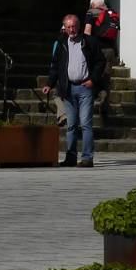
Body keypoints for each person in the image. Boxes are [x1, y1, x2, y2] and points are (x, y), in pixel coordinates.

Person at [42, 12, 106, 167]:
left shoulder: (90, 42)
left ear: (80, 26)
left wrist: (93, 80)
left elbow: (100, 62)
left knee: (85, 124)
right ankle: (70, 157)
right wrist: (49, 84)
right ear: (64, 28)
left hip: (85, 87)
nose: (72, 30)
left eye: (74, 26)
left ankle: (87, 158)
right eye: (69, 27)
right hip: (68, 88)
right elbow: (56, 66)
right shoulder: (62, 43)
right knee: (71, 125)